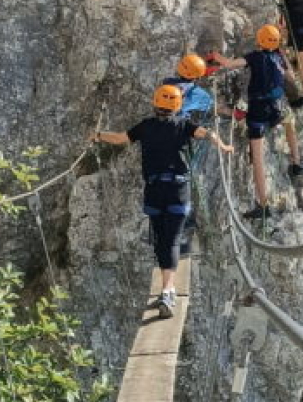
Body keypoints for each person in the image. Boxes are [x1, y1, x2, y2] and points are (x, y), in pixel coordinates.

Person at [91, 84, 233, 318]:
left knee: (160, 238)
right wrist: (224, 146)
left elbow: (119, 138)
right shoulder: (184, 125)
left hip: (154, 190)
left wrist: (97, 136)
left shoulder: (145, 126)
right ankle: (168, 290)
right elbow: (207, 134)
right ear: (178, 106)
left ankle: (166, 288)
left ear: (155, 103)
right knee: (173, 239)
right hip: (178, 189)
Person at [210, 24, 303, 222]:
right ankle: (296, 163)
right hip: (279, 108)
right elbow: (289, 77)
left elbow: (230, 65)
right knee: (290, 122)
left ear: (259, 40)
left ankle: (263, 205)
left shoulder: (254, 57)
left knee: (258, 159)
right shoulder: (279, 57)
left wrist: (216, 56)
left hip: (258, 113)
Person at [162, 53, 213, 118]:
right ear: (198, 77)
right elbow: (210, 105)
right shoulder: (198, 94)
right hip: (181, 123)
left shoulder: (167, 82)